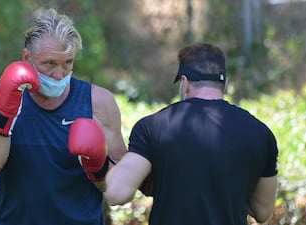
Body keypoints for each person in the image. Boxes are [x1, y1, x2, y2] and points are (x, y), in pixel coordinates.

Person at [0, 8, 127, 225]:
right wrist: (5, 115)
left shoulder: (98, 102)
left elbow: (122, 192)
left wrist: (98, 166)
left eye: (68, 63)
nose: (59, 74)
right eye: (50, 63)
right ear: (27, 57)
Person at [105, 43, 279, 225]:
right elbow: (263, 212)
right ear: (224, 84)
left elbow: (116, 193)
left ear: (185, 83)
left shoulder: (152, 126)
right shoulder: (261, 134)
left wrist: (98, 165)